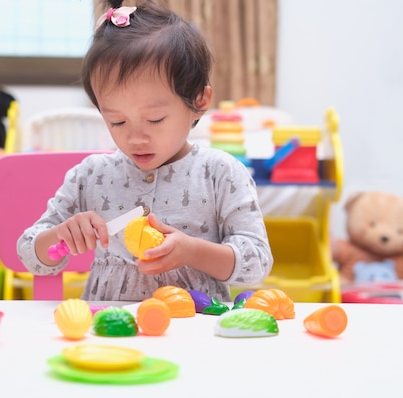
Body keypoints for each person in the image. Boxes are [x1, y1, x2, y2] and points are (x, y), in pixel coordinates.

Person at [17, 0, 273, 302]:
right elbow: (29, 253)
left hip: (194, 330)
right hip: (112, 331)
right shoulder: (91, 176)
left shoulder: (220, 173)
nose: (136, 138)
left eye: (155, 119)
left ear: (199, 101)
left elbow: (256, 262)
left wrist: (193, 251)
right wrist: (60, 234)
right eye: (117, 121)